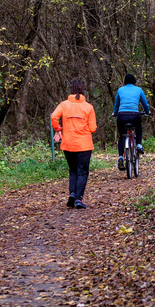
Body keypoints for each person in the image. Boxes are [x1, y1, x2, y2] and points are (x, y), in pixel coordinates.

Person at [51, 79, 96, 210]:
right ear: (83, 91)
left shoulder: (64, 105)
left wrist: (58, 130)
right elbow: (92, 128)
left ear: (71, 90)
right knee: (82, 172)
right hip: (84, 145)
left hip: (68, 143)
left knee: (73, 170)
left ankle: (72, 194)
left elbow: (54, 117)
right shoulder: (88, 107)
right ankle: (78, 199)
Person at [114, 73, 150, 171]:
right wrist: (147, 112)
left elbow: (116, 104)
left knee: (122, 136)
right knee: (139, 128)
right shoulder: (139, 90)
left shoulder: (120, 90)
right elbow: (145, 104)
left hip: (121, 116)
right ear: (134, 81)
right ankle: (138, 144)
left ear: (125, 81)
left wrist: (115, 113)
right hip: (134, 115)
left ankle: (121, 156)